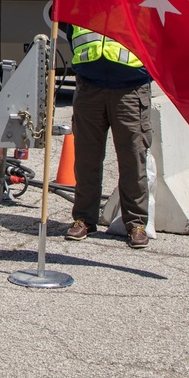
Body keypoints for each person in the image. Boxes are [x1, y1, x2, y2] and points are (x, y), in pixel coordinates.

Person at [63, 26, 152, 249]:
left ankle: (136, 224)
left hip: (130, 88)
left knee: (133, 159)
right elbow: (69, 31)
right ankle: (84, 219)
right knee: (86, 159)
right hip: (89, 86)